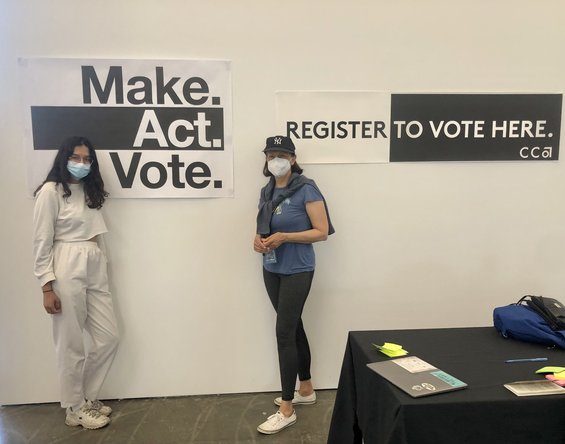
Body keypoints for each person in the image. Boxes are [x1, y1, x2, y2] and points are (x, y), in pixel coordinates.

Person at [33, 136, 119, 430]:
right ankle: (74, 408)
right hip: (66, 260)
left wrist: (102, 265)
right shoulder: (50, 192)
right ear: (64, 158)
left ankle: (87, 397)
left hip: (93, 259)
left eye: (86, 159)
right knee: (70, 344)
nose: (81, 164)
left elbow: (96, 233)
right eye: (76, 158)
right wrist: (46, 285)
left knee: (109, 337)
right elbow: (41, 240)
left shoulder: (91, 190)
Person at [254, 135, 334, 434]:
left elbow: (322, 231)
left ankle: (286, 408)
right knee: (294, 326)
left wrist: (286, 237)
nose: (275, 159)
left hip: (298, 269)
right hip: (272, 267)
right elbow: (264, 225)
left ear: (292, 159)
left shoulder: (306, 188)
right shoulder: (267, 190)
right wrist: (258, 239)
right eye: (270, 154)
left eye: (281, 154)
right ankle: (306, 389)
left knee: (284, 333)